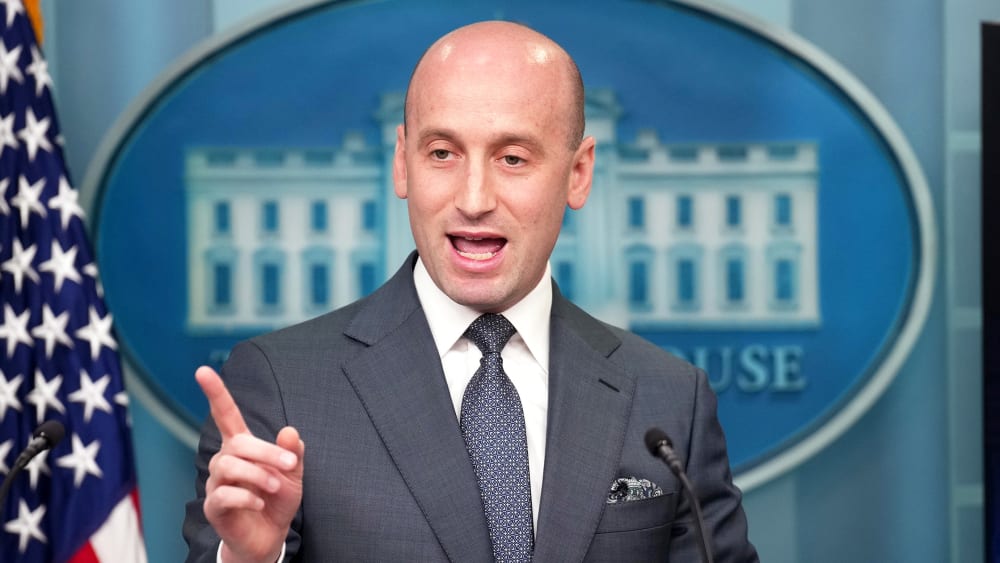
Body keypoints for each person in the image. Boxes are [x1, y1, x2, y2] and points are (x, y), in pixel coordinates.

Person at [183, 20, 758, 563]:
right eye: (442, 154)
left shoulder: (670, 399)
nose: (474, 197)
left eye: (512, 158)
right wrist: (251, 558)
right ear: (402, 164)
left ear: (578, 173)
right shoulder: (280, 386)